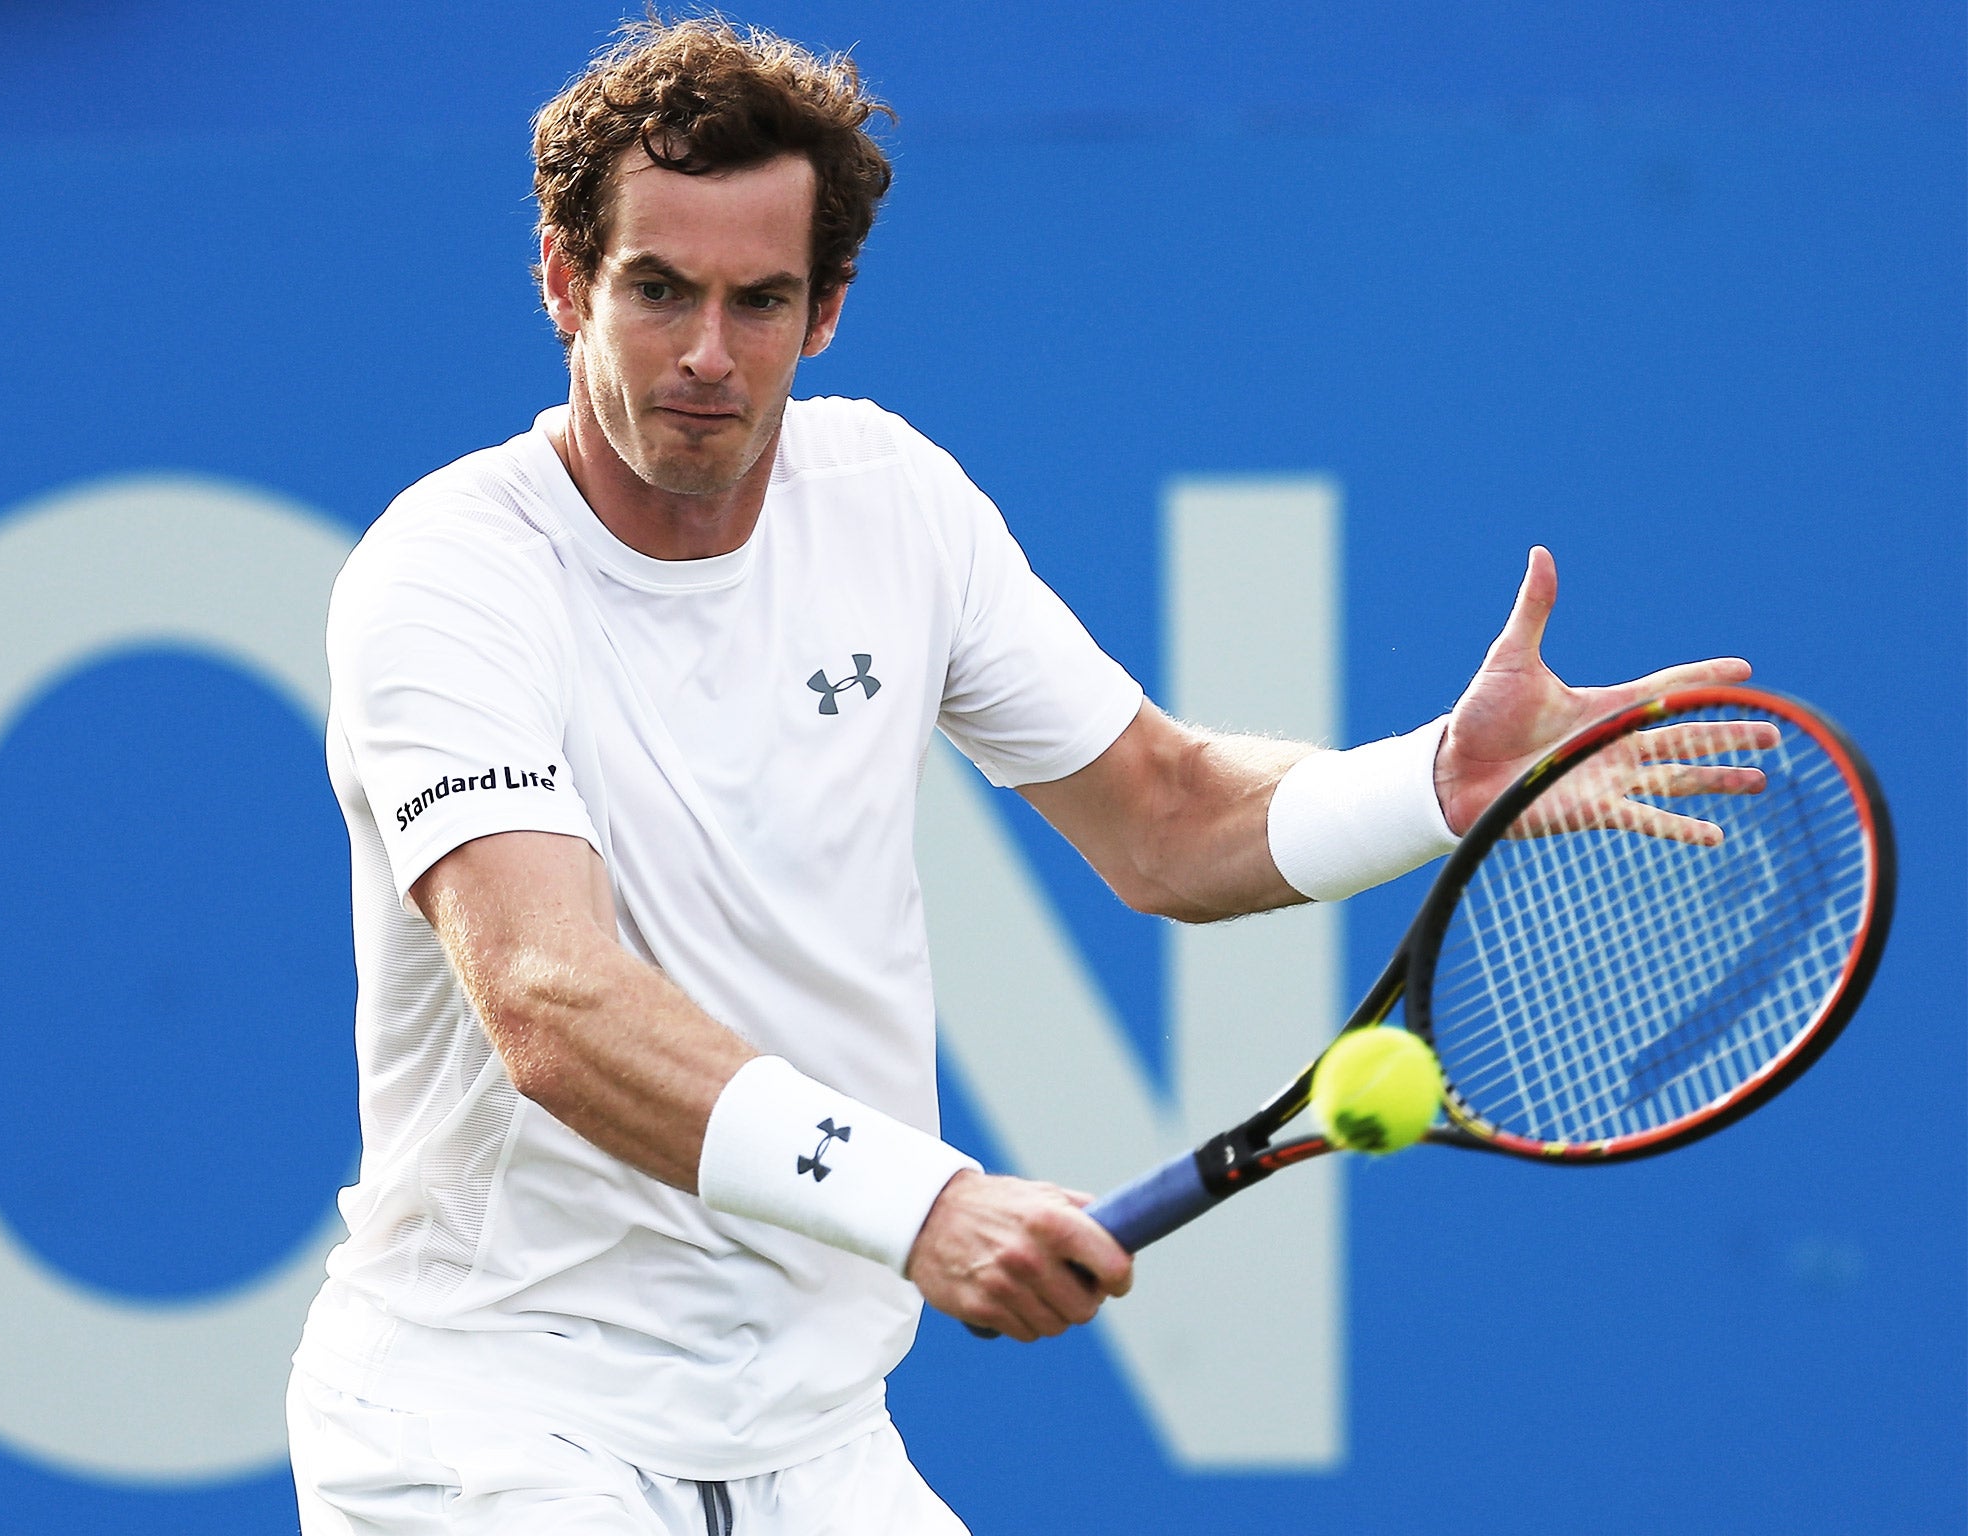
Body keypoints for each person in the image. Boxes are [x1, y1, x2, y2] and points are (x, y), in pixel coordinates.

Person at [286, 17, 1750, 1535]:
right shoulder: (452, 574)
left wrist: (1441, 783)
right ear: (563, 279)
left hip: (818, 1442)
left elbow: (1168, 820)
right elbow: (550, 1000)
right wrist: (920, 1203)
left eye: (760, 300)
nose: (708, 355)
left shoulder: (892, 504)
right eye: (658, 291)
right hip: (493, 1425)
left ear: (827, 309)